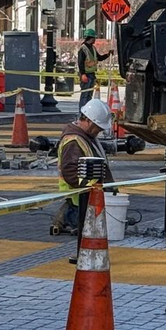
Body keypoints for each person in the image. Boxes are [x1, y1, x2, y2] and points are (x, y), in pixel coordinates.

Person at [53, 98, 113, 258]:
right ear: (87, 120)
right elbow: (71, 173)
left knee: (90, 235)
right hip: (81, 200)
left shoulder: (85, 137)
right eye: (97, 128)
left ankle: (86, 258)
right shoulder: (74, 141)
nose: (98, 131)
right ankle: (85, 260)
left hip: (87, 198)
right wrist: (94, 187)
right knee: (88, 234)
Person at [77, 27, 110, 109]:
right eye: (94, 37)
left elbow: (99, 58)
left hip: (91, 74)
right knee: (84, 95)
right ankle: (82, 114)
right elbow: (80, 62)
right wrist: (83, 74)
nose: (95, 39)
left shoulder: (93, 48)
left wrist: (107, 55)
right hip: (86, 75)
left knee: (89, 95)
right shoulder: (83, 49)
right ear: (90, 38)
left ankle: (87, 113)